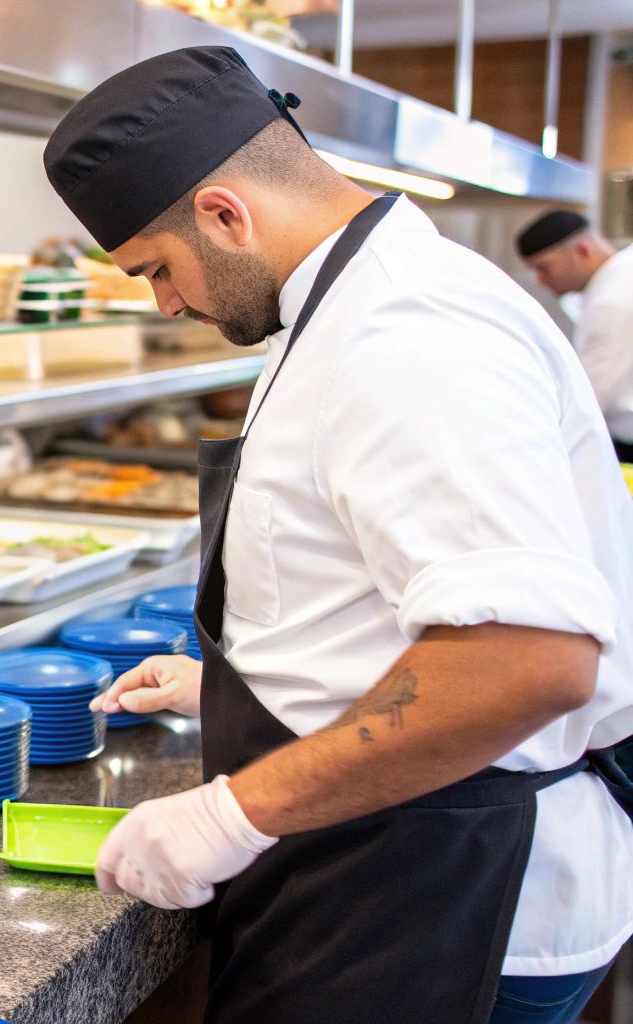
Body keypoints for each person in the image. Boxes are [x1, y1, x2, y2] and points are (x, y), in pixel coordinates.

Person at [43, 45, 633, 1024]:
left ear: (224, 214)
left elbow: (523, 659)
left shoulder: (405, 331)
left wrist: (228, 809)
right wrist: (249, 690)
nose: (166, 304)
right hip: (394, 862)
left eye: (155, 270)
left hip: (451, 897)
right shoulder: (335, 306)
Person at [516, 210, 633, 462]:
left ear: (582, 250)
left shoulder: (611, 301)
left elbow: (586, 402)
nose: (540, 279)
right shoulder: (624, 273)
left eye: (544, 267)